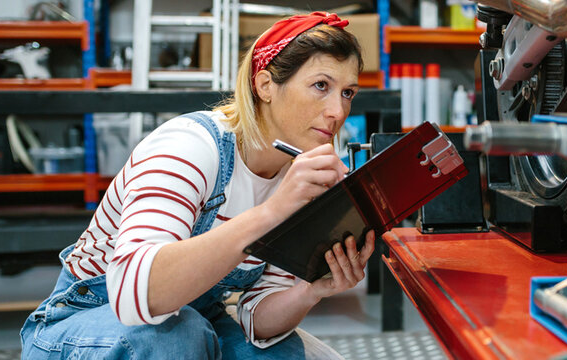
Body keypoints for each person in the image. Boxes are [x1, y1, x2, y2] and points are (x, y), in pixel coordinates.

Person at [20, 12, 378, 359]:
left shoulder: (297, 178)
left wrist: (310, 290)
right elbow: (134, 294)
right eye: (321, 86)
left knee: (292, 354)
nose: (338, 111)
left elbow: (257, 320)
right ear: (265, 85)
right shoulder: (190, 145)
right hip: (83, 323)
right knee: (179, 337)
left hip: (196, 318)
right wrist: (272, 211)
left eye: (348, 92)